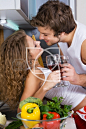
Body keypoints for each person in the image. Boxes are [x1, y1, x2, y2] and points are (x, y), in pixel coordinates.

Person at [30, 0, 86, 128]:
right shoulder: (62, 32)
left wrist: (78, 78)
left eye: (45, 34)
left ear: (61, 33)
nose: (40, 38)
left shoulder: (84, 43)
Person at [0, 29, 60, 110]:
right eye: (35, 45)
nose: (38, 42)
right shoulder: (34, 73)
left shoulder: (36, 69)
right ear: (27, 56)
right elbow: (21, 110)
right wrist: (45, 88)